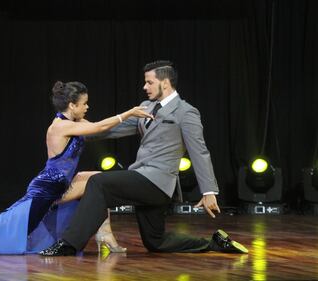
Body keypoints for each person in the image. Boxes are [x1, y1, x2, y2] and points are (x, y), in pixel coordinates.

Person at [39, 61, 249, 256]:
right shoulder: (146, 107)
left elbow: (199, 151)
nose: (144, 87)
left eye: (149, 82)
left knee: (98, 183)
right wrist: (72, 122)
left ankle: (69, 244)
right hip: (141, 177)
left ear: (165, 83)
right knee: (155, 242)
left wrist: (209, 190)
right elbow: (109, 131)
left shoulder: (186, 113)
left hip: (158, 181)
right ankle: (213, 242)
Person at [0, 81, 153, 256]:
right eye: (84, 103)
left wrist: (140, 126)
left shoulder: (76, 123)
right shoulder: (60, 126)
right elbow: (99, 126)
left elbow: (101, 130)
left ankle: (106, 236)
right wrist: (130, 112)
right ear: (72, 105)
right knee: (4, 221)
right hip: (47, 188)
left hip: (62, 184)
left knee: (99, 181)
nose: (87, 107)